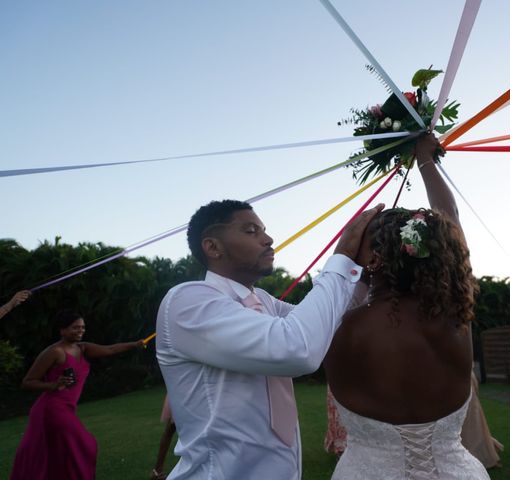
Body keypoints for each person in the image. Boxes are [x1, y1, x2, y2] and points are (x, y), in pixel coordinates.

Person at [156, 198, 381, 479]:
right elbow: (297, 348)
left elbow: (330, 321)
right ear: (213, 247)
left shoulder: (262, 300)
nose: (268, 239)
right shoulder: (187, 301)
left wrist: (362, 273)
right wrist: (342, 259)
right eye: (251, 231)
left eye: (263, 229)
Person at [323, 132, 489, 479]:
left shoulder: (335, 323)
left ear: (370, 259)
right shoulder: (455, 314)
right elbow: (452, 221)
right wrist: (426, 159)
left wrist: (343, 257)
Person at [10, 309, 145, 480]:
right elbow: (27, 382)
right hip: (51, 410)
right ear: (62, 330)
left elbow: (110, 349)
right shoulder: (55, 352)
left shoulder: (83, 348)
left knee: (57, 455)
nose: (80, 331)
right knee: (85, 445)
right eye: (75, 328)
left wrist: (134, 344)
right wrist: (53, 385)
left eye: (82, 328)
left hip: (66, 408)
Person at [150, 394, 177, 480]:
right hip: (180, 393)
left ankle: (157, 471)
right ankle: (157, 470)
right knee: (170, 430)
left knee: (169, 431)